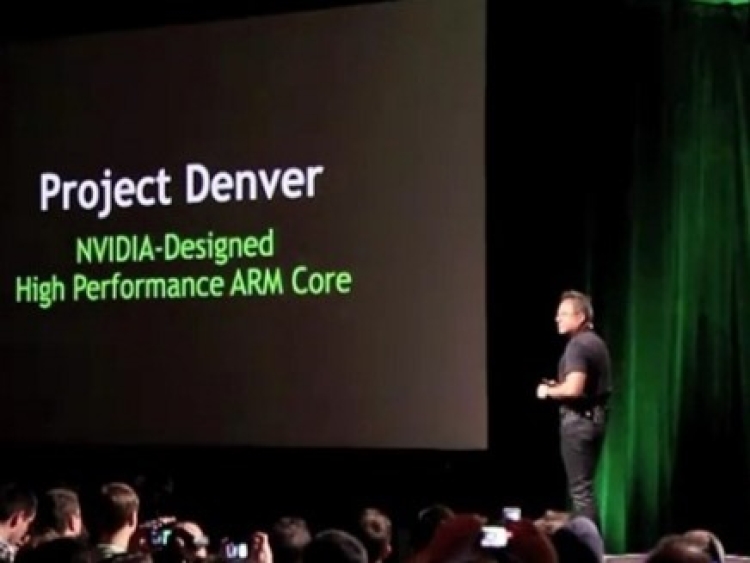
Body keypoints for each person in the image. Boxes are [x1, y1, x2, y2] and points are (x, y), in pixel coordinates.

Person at [536, 290, 612, 527]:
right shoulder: (595, 342)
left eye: (563, 314)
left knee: (581, 493)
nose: (557, 318)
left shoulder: (577, 346)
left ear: (580, 317)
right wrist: (559, 386)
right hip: (594, 420)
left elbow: (574, 389)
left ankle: (590, 545)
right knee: (583, 490)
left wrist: (547, 391)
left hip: (579, 423)